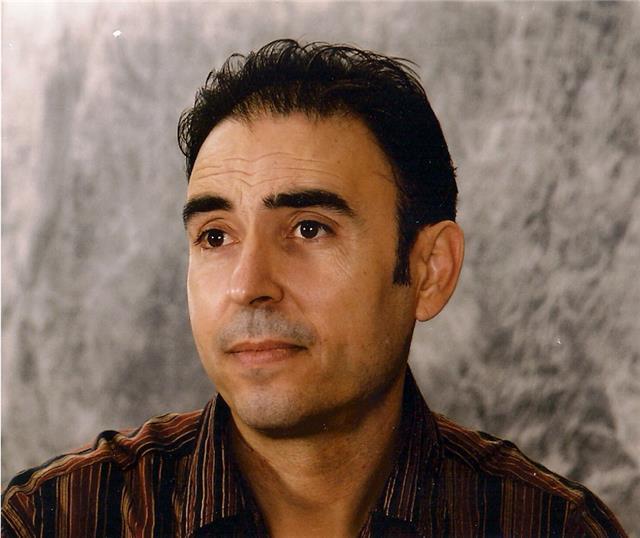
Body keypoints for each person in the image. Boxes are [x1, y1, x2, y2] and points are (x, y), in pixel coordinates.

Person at [2, 39, 626, 538]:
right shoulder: (59, 520)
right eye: (215, 236)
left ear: (430, 269)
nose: (248, 286)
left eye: (308, 228)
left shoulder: (549, 526)